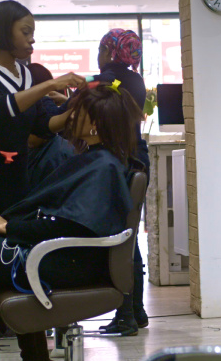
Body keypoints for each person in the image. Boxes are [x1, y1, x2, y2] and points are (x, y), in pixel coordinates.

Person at [0, 81, 143, 360]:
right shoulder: (96, 159)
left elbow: (70, 225)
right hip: (62, 254)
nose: (72, 115)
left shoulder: (103, 166)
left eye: (80, 111)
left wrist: (7, 227)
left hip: (71, 262)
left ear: (96, 124)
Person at [0, 0, 84, 218]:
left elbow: (43, 124)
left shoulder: (26, 74)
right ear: (4, 31)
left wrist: (76, 111)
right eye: (26, 32)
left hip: (20, 170)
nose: (32, 39)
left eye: (32, 32)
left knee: (14, 234)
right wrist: (49, 85)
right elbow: (1, 108)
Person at [93, 29, 150, 336]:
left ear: (109, 51)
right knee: (129, 239)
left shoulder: (107, 79)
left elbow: (92, 96)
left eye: (100, 49)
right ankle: (136, 311)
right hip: (137, 157)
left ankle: (126, 315)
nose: (97, 55)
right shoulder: (134, 79)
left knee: (120, 238)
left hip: (121, 161)